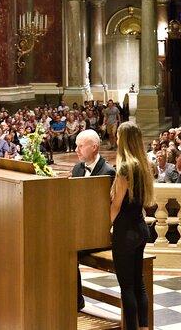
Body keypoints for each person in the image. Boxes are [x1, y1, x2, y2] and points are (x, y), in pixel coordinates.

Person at [110, 122, 153, 330]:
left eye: (118, 136)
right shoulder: (143, 165)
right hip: (140, 228)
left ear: (124, 139)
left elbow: (116, 205)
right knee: (139, 283)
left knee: (126, 286)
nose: (116, 140)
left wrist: (106, 225)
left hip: (125, 232)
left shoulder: (125, 167)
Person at [71, 129, 116, 311]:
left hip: (99, 233)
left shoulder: (108, 172)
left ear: (94, 147)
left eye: (80, 146)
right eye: (76, 146)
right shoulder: (77, 168)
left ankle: (76, 301)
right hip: (81, 229)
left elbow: (108, 211)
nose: (76, 150)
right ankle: (72, 298)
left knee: (67, 251)